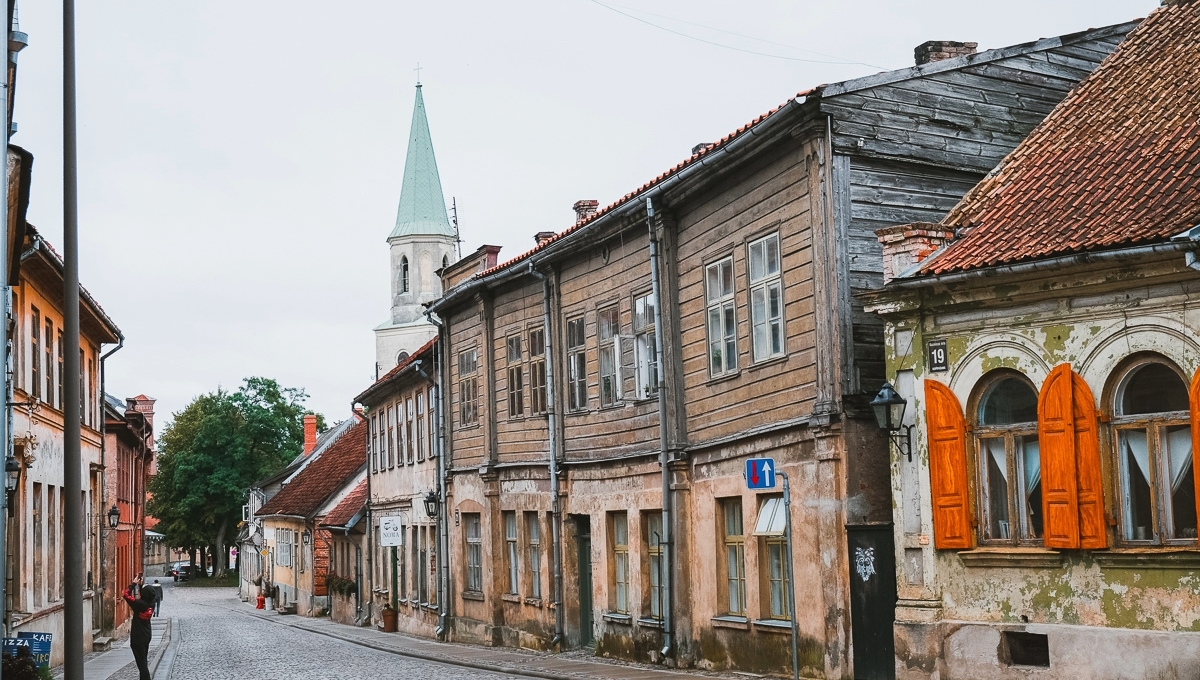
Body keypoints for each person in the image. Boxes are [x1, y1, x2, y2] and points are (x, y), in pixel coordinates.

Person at [123, 577, 154, 680]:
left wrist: (133, 584)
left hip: (138, 637)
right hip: (147, 635)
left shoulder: (139, 604)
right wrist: (140, 586)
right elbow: (145, 596)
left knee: (142, 665)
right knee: (143, 661)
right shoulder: (151, 603)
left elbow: (126, 595)